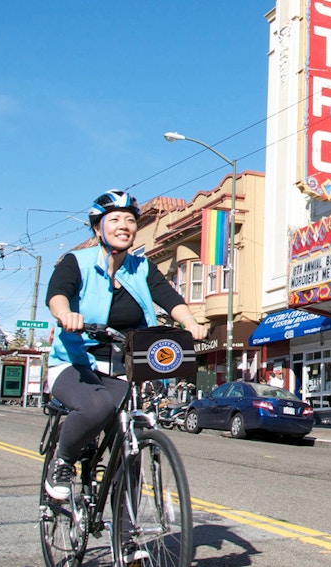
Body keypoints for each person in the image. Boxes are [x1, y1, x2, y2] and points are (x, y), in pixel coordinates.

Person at [43, 189, 208, 501]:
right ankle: (63, 461)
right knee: (97, 406)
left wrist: (190, 322)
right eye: (115, 219)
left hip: (121, 368)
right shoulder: (76, 262)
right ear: (98, 227)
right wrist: (65, 314)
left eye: (130, 220)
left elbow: (170, 298)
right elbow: (58, 293)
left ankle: (128, 540)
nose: (124, 225)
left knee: (129, 436)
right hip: (75, 363)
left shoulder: (141, 268)